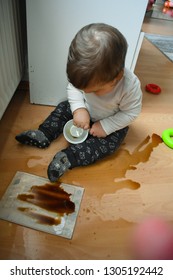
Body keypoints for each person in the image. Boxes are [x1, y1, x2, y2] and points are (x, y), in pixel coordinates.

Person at [15, 23, 142, 182]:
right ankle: (44, 134)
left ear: (117, 78)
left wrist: (106, 126)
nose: (87, 92)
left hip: (110, 120)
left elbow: (131, 113)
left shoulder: (129, 87)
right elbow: (73, 89)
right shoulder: (85, 79)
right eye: (83, 89)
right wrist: (79, 109)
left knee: (111, 143)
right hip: (85, 111)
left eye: (94, 90)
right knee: (63, 107)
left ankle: (68, 157)